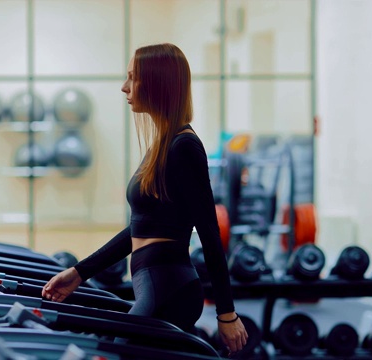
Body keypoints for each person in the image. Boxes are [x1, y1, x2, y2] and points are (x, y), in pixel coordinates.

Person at [42, 43, 248, 354]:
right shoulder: (162, 146)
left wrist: (227, 313)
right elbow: (139, 230)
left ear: (157, 83)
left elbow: (208, 231)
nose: (124, 87)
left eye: (132, 78)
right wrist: (79, 273)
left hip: (170, 288)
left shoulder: (185, 147)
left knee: (111, 353)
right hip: (153, 284)